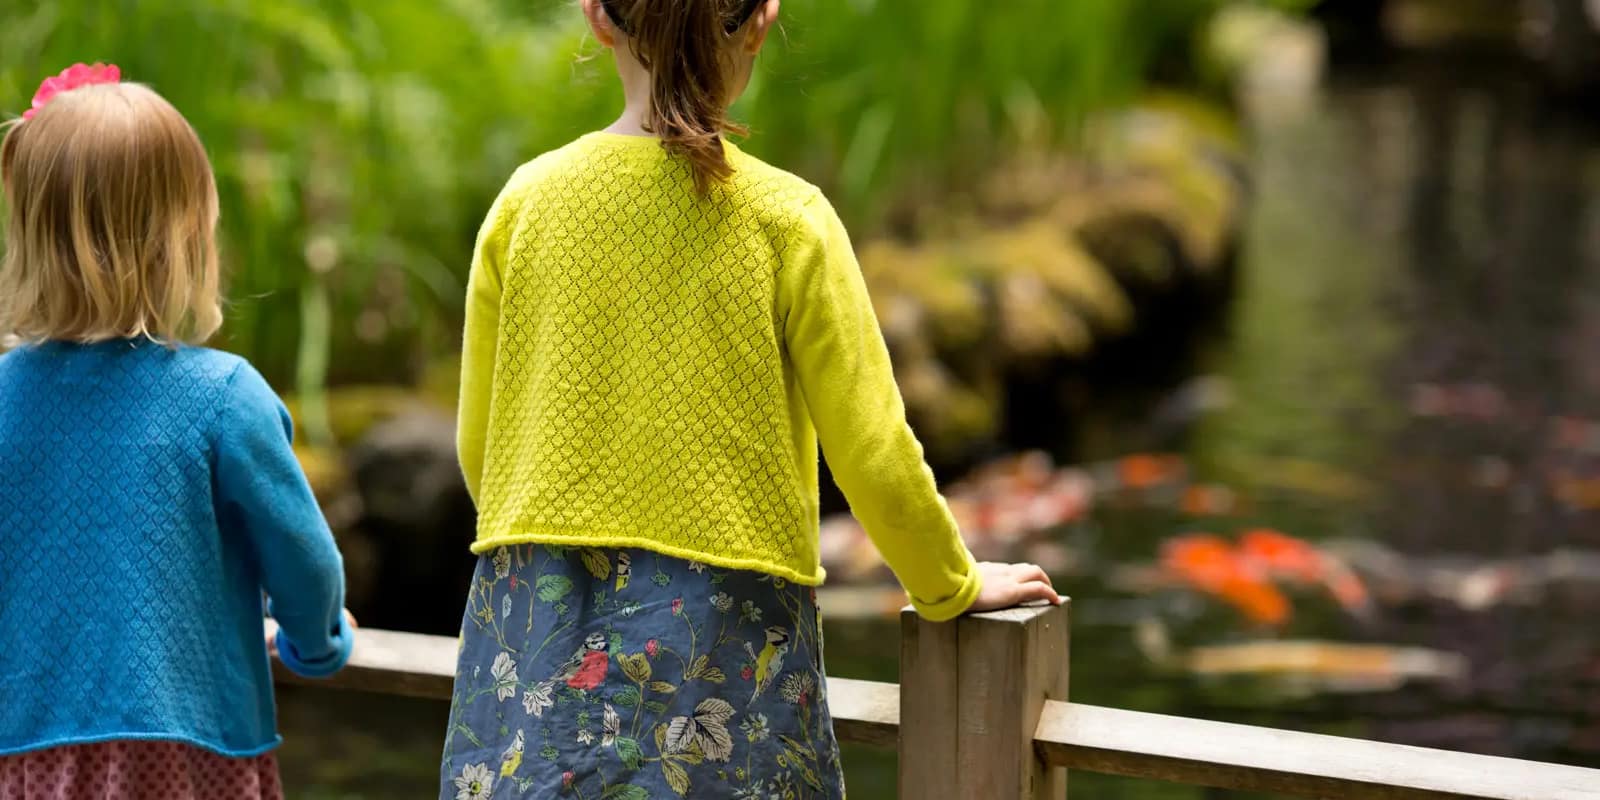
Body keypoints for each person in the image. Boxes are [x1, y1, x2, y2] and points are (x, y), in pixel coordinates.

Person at [440, 1, 1061, 797]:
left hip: (533, 619)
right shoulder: (787, 219)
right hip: (717, 636)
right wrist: (951, 585)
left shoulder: (524, 205)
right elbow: (872, 449)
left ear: (598, 17)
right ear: (762, 20)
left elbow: (478, 444)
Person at [0, 64, 354, 800]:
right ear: (187, 235)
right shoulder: (225, 398)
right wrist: (318, 645)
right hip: (189, 753)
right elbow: (306, 563)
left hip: (24, 750)